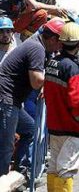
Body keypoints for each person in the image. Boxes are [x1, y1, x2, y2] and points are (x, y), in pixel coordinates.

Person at [0, 19, 64, 176]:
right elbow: (36, 81)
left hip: (12, 100)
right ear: (53, 39)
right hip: (5, 99)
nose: (61, 47)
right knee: (6, 145)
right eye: (61, 43)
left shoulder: (37, 44)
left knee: (29, 130)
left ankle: (19, 171)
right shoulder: (37, 48)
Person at [44, 22, 79, 192]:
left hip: (54, 125)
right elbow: (78, 102)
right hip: (71, 128)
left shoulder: (52, 64)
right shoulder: (72, 69)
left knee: (54, 166)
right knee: (66, 169)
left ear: (61, 41)